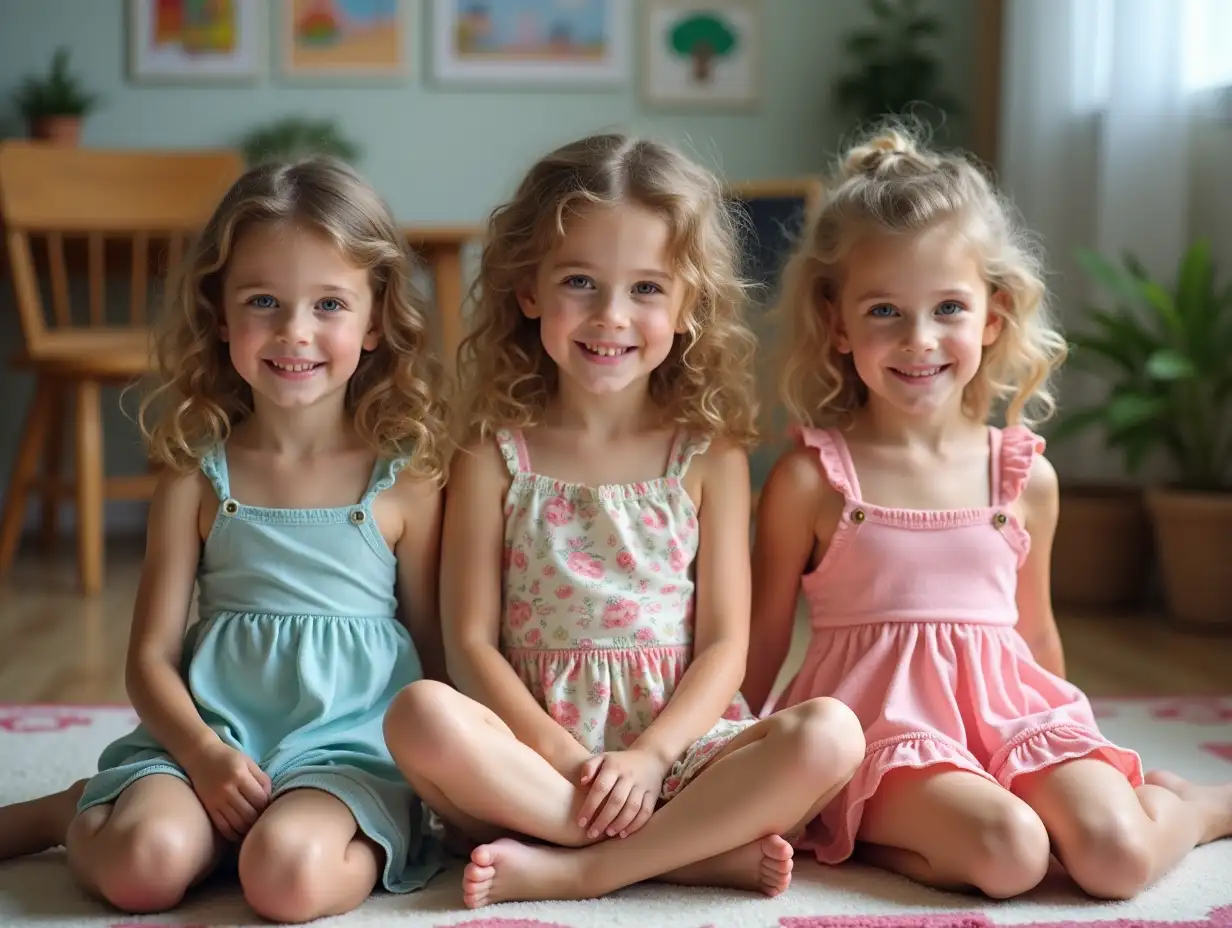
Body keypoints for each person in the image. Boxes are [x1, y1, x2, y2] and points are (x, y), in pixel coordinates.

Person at [743, 123, 1232, 901]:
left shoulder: (1023, 478)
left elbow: (1034, 632)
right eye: (884, 312)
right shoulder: (812, 480)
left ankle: (1196, 808)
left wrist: (1074, 755)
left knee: (1113, 857)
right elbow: (761, 643)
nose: (920, 340)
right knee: (1012, 855)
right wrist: (731, 769)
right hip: (883, 735)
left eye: (948, 308)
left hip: (1012, 716)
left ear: (992, 317)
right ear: (836, 323)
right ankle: (861, 829)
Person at [383, 133, 865, 909]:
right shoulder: (490, 454)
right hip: (537, 757)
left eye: (646, 288)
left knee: (831, 735)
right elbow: (469, 643)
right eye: (580, 281)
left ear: (688, 306)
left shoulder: (710, 455)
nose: (611, 316)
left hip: (674, 750)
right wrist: (571, 762)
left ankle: (587, 867)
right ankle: (678, 850)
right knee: (418, 714)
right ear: (528, 289)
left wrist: (648, 758)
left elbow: (724, 645)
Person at [0, 158, 451, 923]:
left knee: (288, 882)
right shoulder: (196, 475)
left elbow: (435, 650)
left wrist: (450, 791)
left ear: (375, 320)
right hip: (211, 739)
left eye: (330, 304)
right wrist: (205, 757)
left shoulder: (407, 480)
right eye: (263, 302)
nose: (293, 333)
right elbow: (147, 658)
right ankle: (71, 811)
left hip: (347, 752)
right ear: (219, 313)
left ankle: (289, 844)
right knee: (145, 870)